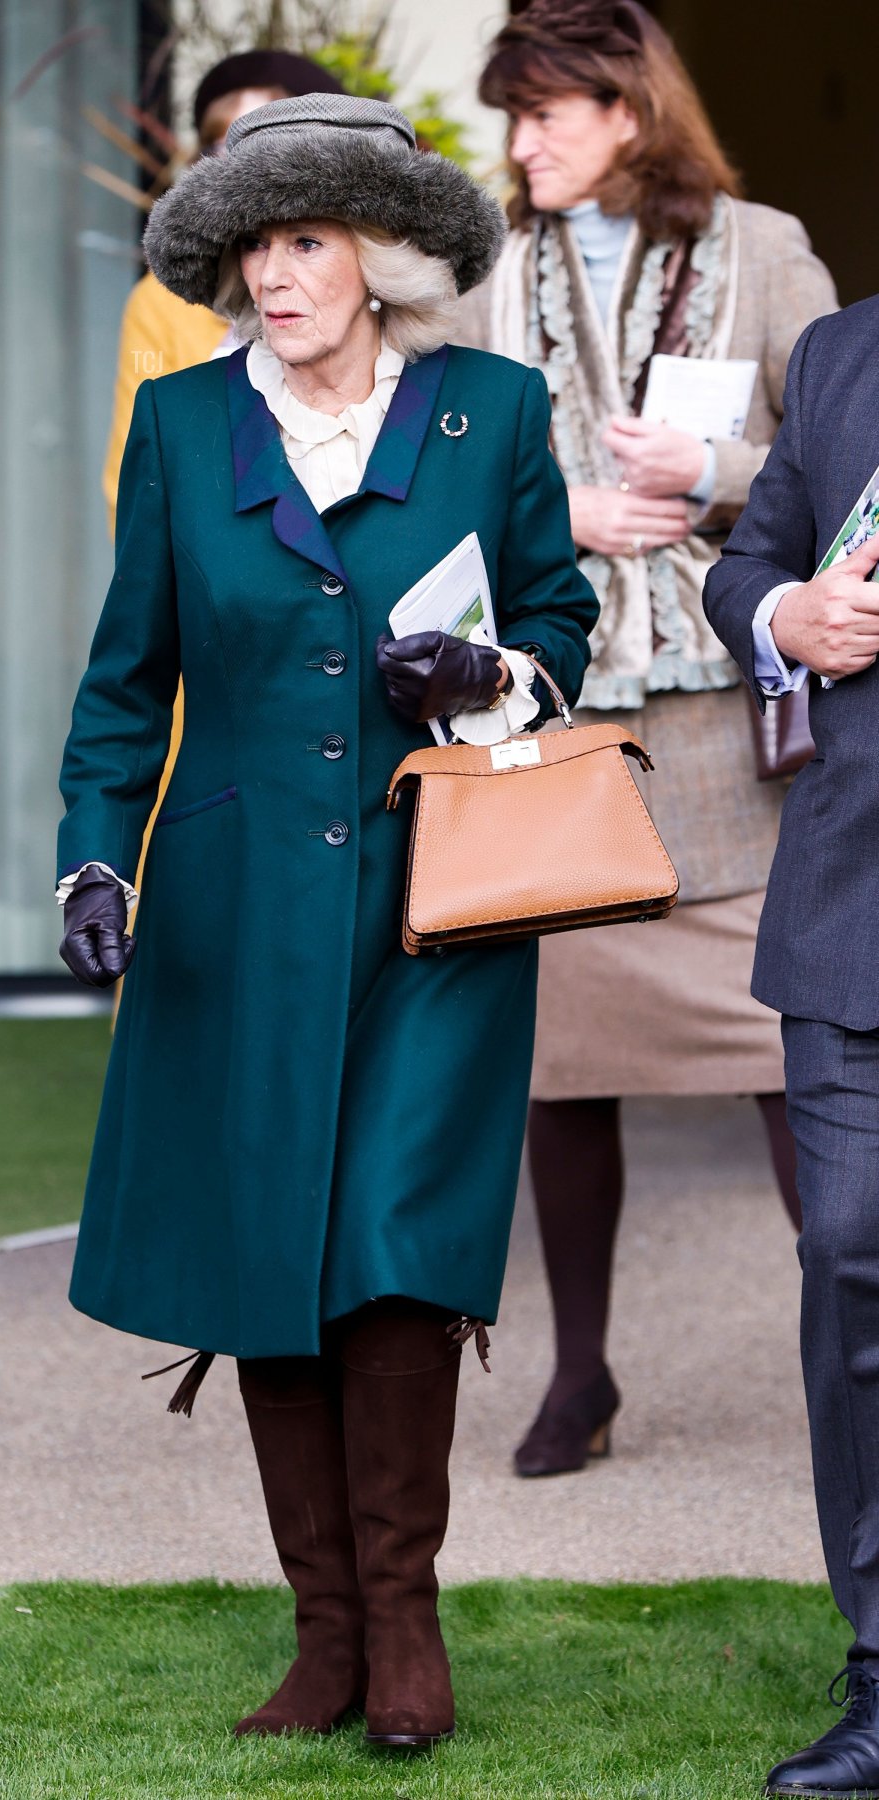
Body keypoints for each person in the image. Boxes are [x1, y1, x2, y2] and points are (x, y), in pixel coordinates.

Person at [55, 94, 598, 1750]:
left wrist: (496, 672)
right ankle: (327, 1639)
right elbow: (126, 680)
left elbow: (560, 616)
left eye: (305, 241)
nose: (272, 277)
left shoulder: (493, 413)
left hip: (440, 902)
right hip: (235, 916)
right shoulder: (181, 425)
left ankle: (407, 1621)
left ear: (384, 255)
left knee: (395, 1245)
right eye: (251, 249)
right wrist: (95, 862)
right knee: (269, 1241)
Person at [454, 0, 837, 1478]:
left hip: (732, 733)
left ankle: (855, 1365)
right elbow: (435, 460)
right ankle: (581, 1376)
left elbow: (845, 452)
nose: (520, 144)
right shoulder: (482, 268)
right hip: (558, 721)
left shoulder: (767, 248)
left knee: (792, 1058)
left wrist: (715, 468)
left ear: (629, 111)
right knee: (567, 1069)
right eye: (512, 116)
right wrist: (563, 511)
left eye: (544, 112)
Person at [704, 295, 879, 1797]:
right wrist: (786, 619)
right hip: (853, 913)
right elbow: (745, 563)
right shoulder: (839, 354)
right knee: (850, 1260)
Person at [101, 49, 345, 533]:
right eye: (221, 145)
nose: (239, 164)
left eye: (264, 142)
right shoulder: (162, 301)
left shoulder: (376, 285)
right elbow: (135, 478)